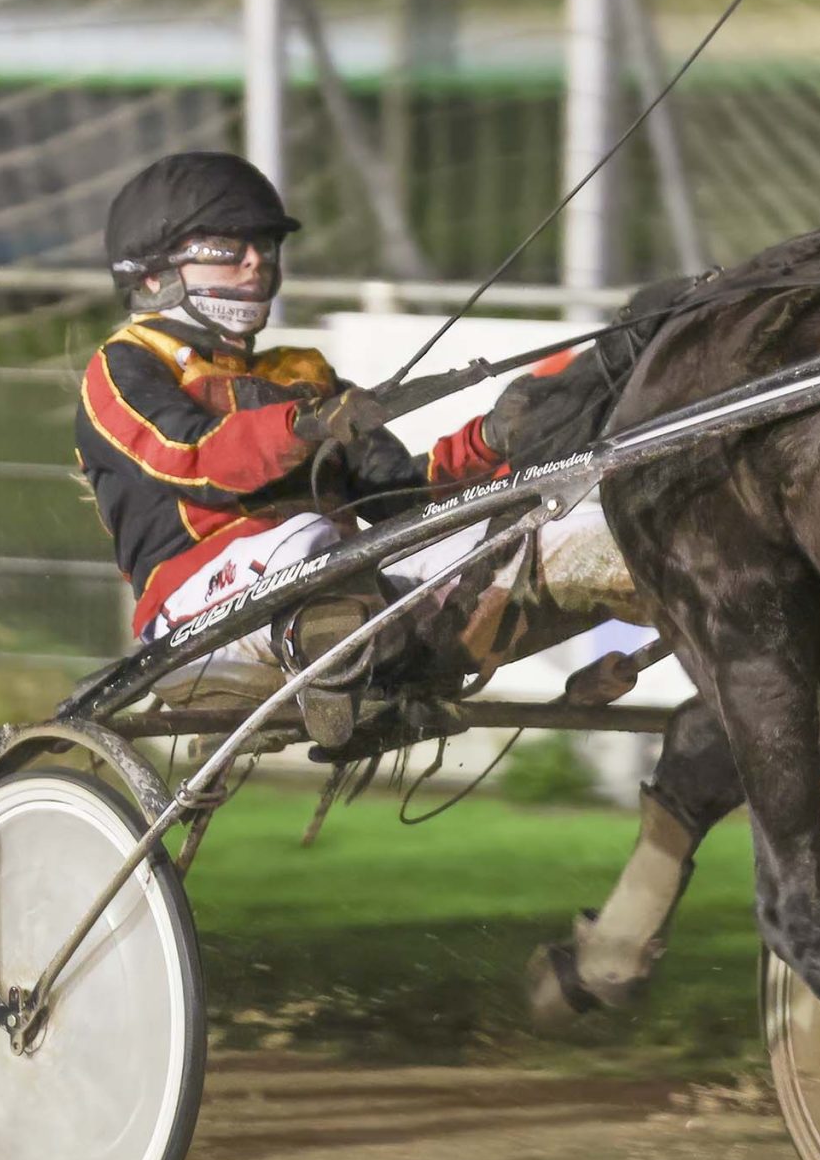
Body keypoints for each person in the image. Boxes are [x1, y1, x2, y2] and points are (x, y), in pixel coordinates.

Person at [75, 151, 640, 744]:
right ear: (152, 273)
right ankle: (347, 662)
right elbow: (192, 455)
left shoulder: (300, 373)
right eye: (225, 245)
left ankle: (665, 591)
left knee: (543, 532)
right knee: (309, 539)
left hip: (341, 582)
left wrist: (492, 438)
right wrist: (306, 426)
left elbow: (402, 498)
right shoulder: (123, 366)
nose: (255, 260)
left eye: (264, 245)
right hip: (199, 619)